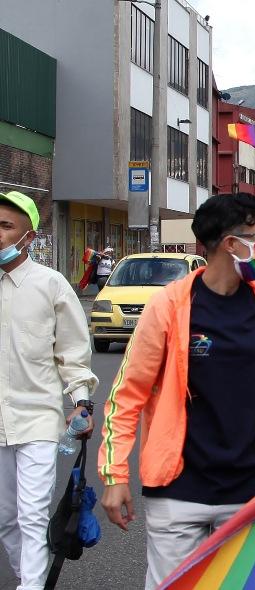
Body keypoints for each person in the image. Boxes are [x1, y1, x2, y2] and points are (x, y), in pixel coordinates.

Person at [98, 193, 255, 589]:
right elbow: (127, 395)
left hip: (254, 488)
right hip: (178, 493)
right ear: (230, 244)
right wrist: (114, 476)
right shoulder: (169, 305)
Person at [0, 191, 98, 590]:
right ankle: (30, 578)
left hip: (39, 420)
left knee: (32, 514)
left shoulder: (51, 285)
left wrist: (81, 402)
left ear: (29, 236)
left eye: (6, 226)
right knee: (6, 519)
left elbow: (73, 354)